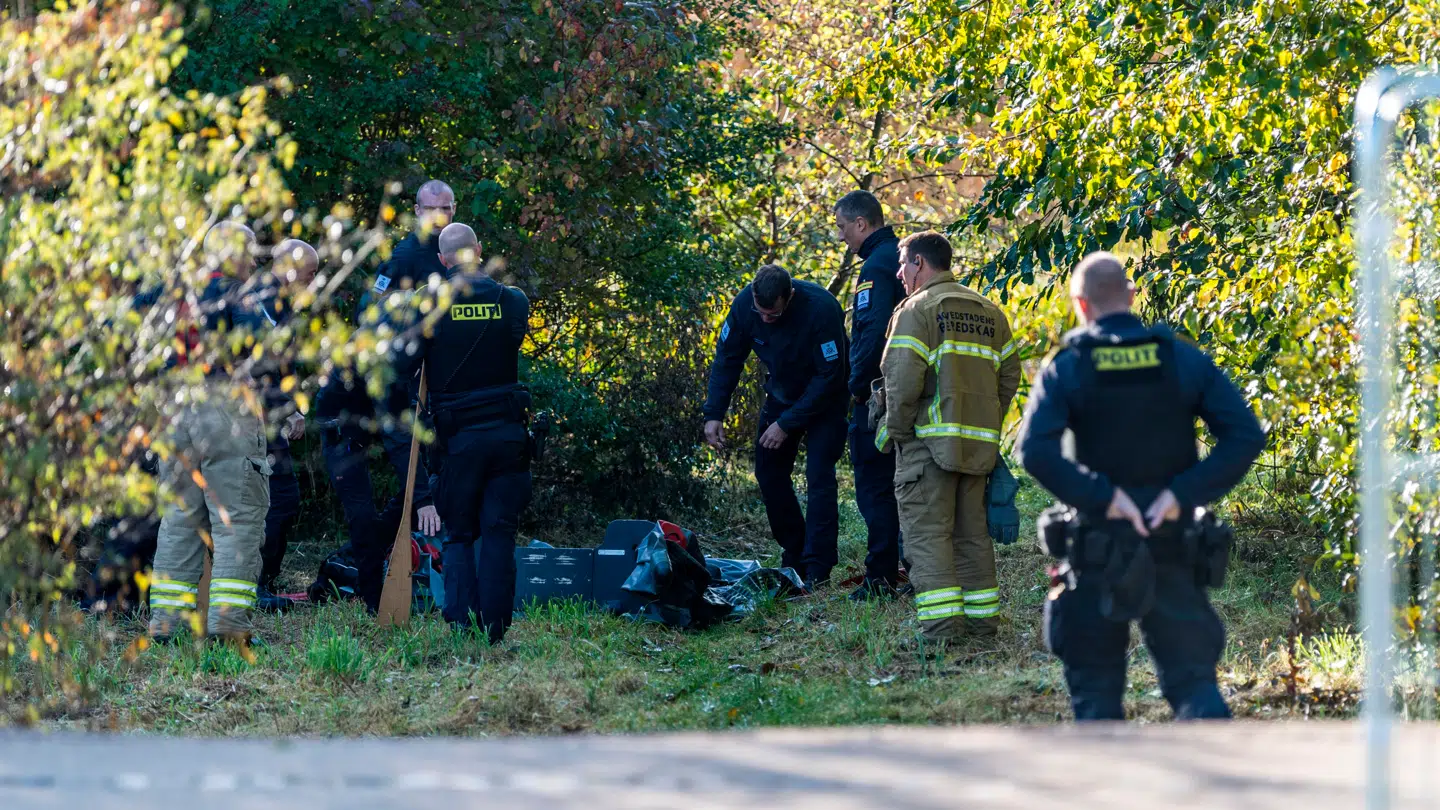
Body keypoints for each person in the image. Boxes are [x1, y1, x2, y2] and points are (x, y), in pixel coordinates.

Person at [1016, 251, 1265, 721]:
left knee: (1095, 697)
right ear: (1131, 297)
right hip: (1171, 541)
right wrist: (1181, 495)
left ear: (1080, 304)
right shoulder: (1180, 358)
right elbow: (1246, 435)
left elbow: (1034, 451)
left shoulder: (1068, 366)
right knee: (1195, 687)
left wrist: (1104, 498)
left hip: (1096, 546)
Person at [875, 231, 1021, 641]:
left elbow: (900, 382)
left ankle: (941, 633)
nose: (900, 274)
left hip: (926, 447)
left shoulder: (917, 310)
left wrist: (899, 432)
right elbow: (1009, 376)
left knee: (928, 536)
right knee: (972, 537)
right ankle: (981, 626)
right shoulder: (988, 310)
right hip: (977, 449)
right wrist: (981, 421)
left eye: (903, 265)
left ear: (919, 263)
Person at [392, 222, 532, 642]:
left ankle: (461, 624)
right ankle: (495, 629)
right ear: (479, 250)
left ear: (442, 260)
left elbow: (401, 368)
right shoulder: (513, 301)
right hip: (509, 436)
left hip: (457, 440)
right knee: (499, 532)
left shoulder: (427, 303)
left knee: (458, 533)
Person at [149, 221, 272, 642]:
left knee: (179, 518)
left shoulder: (174, 293)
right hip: (225, 410)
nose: (255, 261)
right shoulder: (241, 293)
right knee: (236, 518)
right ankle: (228, 626)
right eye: (250, 251)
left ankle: (167, 623)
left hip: (174, 410)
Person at [703, 264, 848, 588]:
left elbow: (830, 376)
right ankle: (794, 554)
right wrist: (714, 412)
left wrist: (787, 424)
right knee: (768, 472)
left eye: (774, 314)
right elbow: (727, 358)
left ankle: (817, 568)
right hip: (781, 394)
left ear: (790, 297)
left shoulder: (821, 308)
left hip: (826, 400)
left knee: (819, 476)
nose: (766, 319)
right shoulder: (744, 306)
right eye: (761, 313)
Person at [833, 190, 905, 600]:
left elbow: (871, 334)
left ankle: (880, 576)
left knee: (875, 488)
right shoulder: (901, 259)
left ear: (862, 223)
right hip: (905, 392)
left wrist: (857, 389)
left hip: (877, 400)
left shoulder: (876, 267)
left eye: (843, 226)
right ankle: (906, 566)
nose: (842, 236)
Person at [252, 239, 316, 609]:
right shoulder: (260, 303)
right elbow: (260, 369)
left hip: (273, 416)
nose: (312, 283)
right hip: (256, 419)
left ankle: (266, 580)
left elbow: (285, 366)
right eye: (309, 275)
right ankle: (256, 583)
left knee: (283, 499)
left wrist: (295, 409)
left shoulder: (281, 304)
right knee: (277, 500)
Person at [369, 180, 454, 300]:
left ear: (454, 208)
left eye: (445, 208)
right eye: (430, 209)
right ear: (417, 210)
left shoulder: (463, 247)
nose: (438, 215)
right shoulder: (403, 256)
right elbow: (371, 303)